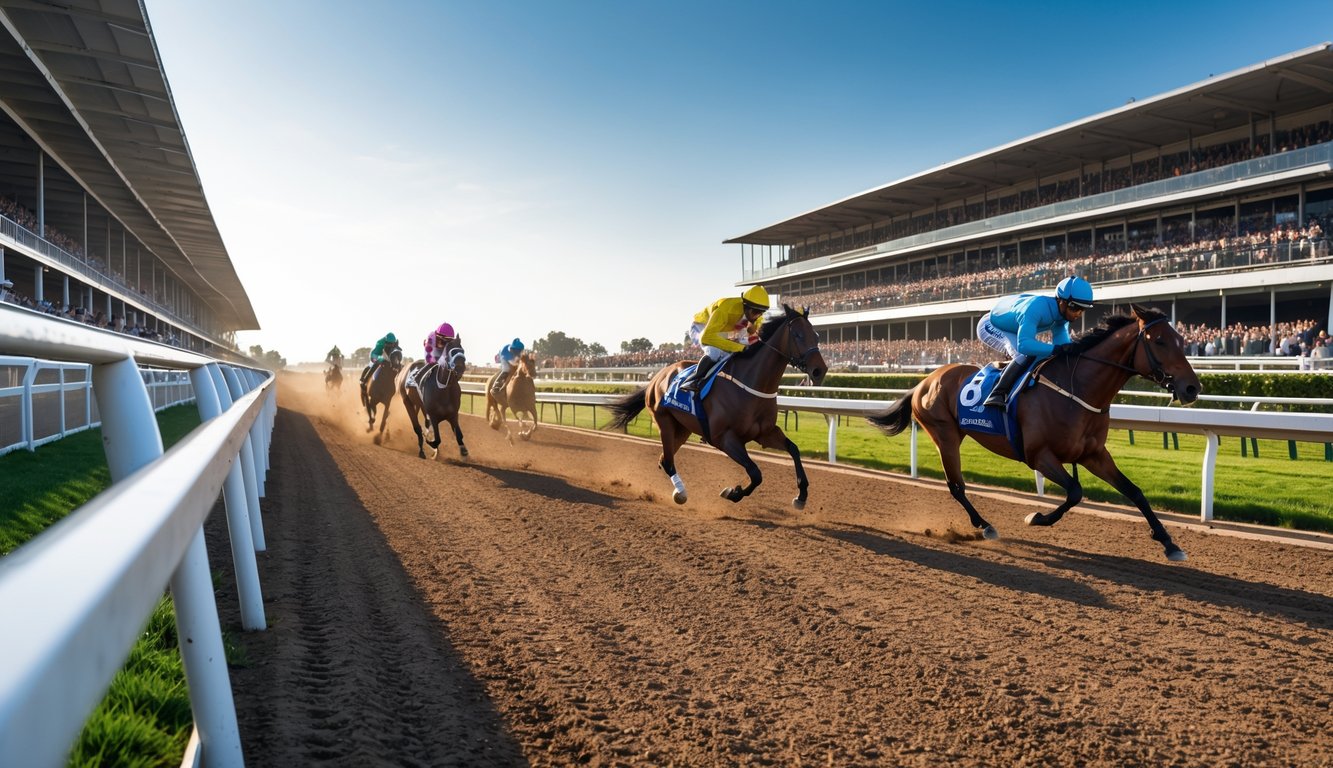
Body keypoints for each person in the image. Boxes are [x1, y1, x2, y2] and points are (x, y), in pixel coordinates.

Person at [976, 275, 1094, 408]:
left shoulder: (1062, 317)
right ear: (1062, 301)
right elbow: (1024, 345)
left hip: (1014, 325)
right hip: (991, 324)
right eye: (1075, 308)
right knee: (1024, 354)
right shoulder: (1037, 308)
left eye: (1082, 309)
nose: (1078, 313)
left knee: (1048, 354)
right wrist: (1057, 349)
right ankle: (998, 393)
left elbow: (1063, 347)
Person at [679, 285, 770, 392]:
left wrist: (753, 333)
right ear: (745, 306)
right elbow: (707, 338)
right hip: (702, 327)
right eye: (755, 312)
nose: (757, 316)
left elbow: (754, 336)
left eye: (761, 313)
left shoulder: (756, 314)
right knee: (715, 352)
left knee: (738, 351)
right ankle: (692, 380)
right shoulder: (725, 308)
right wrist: (739, 347)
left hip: (723, 331)